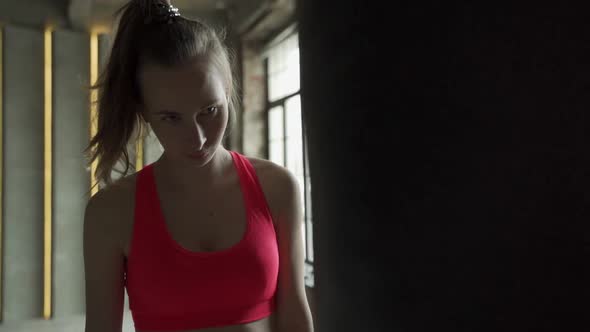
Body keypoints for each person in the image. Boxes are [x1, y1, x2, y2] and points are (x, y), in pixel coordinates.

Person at [82, 1, 314, 331]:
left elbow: (294, 314)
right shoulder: (111, 212)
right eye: (171, 118)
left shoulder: (277, 188)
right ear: (144, 112)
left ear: (229, 89)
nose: (198, 138)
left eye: (209, 110)